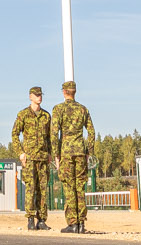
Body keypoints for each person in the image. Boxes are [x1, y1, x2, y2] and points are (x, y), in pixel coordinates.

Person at [52, 80, 96, 234]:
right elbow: (91, 132)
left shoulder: (58, 109)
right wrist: (88, 151)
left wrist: (56, 154)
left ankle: (73, 223)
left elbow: (53, 133)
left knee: (69, 188)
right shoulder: (83, 110)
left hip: (66, 152)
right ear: (74, 92)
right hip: (80, 152)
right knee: (79, 188)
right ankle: (82, 223)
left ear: (64, 92)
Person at [10, 87, 55, 231]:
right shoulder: (23, 114)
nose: (39, 97)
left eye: (40, 95)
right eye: (36, 95)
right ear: (30, 96)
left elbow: (50, 137)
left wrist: (50, 153)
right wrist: (20, 152)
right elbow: (15, 134)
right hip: (29, 158)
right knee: (30, 188)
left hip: (42, 158)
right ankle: (30, 218)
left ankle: (41, 219)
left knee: (42, 189)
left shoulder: (46, 116)